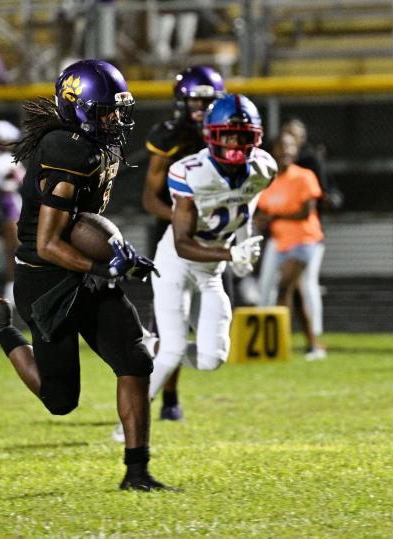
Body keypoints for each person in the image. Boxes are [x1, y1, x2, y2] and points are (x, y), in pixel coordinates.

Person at [0, 59, 167, 491]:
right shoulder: (65, 149)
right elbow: (50, 243)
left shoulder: (92, 144)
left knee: (135, 360)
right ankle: (2, 327)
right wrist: (103, 265)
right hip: (45, 277)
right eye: (104, 110)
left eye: (116, 109)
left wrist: (119, 255)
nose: (113, 119)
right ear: (79, 108)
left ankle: (137, 472)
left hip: (81, 270)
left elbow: (83, 223)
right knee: (60, 399)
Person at [146, 94, 276, 402]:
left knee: (211, 359)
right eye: (227, 136)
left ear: (254, 138)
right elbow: (182, 244)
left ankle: (151, 344)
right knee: (173, 349)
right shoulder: (189, 171)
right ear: (210, 135)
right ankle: (127, 429)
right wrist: (232, 253)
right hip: (176, 264)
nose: (233, 144)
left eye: (242, 137)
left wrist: (244, 243)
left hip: (211, 272)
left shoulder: (264, 168)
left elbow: (246, 203)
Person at [139, 64, 225, 423]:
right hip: (171, 238)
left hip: (212, 238)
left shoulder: (227, 134)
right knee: (169, 322)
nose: (202, 109)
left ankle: (157, 359)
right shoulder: (171, 136)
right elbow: (149, 197)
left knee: (208, 327)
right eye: (196, 102)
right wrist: (181, 222)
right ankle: (168, 394)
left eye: (208, 102)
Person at [255, 131, 326, 360]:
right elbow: (262, 210)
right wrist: (262, 219)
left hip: (305, 240)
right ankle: (313, 344)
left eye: (290, 147)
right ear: (273, 151)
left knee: (285, 285)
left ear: (296, 150)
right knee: (293, 293)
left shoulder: (304, 176)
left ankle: (276, 342)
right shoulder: (268, 179)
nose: (285, 151)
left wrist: (273, 218)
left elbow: (305, 212)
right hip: (279, 242)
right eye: (281, 147)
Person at [0, 120, 25, 306]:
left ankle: (11, 290)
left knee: (14, 249)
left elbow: (23, 180)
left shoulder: (11, 158)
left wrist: (15, 177)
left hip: (10, 202)